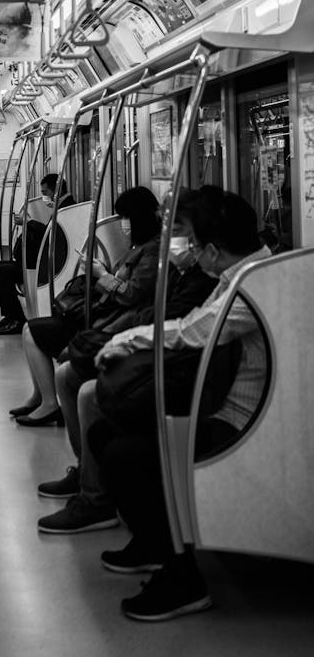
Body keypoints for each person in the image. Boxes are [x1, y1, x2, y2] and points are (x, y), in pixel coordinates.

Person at [90, 187, 271, 621]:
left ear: (210, 248)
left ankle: (183, 577)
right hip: (222, 401)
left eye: (185, 235)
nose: (180, 243)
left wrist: (125, 339)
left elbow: (193, 331)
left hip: (246, 423)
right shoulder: (242, 274)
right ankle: (156, 543)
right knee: (106, 433)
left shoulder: (252, 287)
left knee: (127, 452)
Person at [36, 189, 217, 532]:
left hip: (176, 366)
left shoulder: (193, 274)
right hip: (142, 339)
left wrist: (120, 333)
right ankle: (85, 472)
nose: (169, 238)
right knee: (68, 375)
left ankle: (95, 496)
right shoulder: (175, 267)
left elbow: (162, 316)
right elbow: (151, 312)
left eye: (175, 230)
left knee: (87, 390)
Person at [11, 185, 161, 427]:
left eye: (126, 217)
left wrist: (101, 274)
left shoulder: (152, 253)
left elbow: (131, 294)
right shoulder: (139, 247)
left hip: (112, 321)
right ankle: (40, 397)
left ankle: (49, 403)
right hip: (106, 313)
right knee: (30, 329)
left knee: (32, 332)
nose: (123, 223)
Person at [0, 173, 73, 336]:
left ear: (56, 191)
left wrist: (28, 223)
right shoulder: (58, 207)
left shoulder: (67, 209)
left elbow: (51, 235)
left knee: (3, 271)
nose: (44, 197)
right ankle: (9, 315)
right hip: (43, 259)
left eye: (45, 192)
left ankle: (18, 320)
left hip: (51, 265)